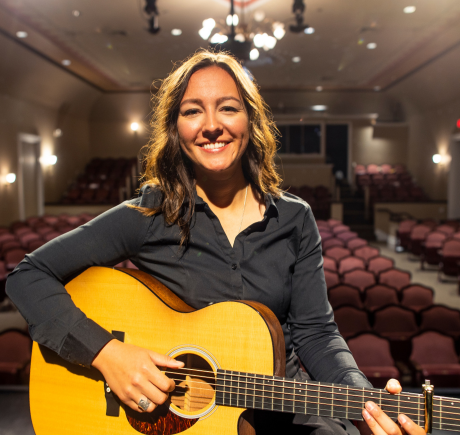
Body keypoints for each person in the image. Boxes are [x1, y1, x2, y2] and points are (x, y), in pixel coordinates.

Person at [6, 50, 425, 435]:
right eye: (193, 111)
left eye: (228, 108)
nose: (211, 126)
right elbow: (27, 276)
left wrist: (361, 399)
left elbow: (316, 332)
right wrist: (107, 353)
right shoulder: (147, 215)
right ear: (175, 129)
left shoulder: (295, 219)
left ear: (251, 121)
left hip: (288, 407)